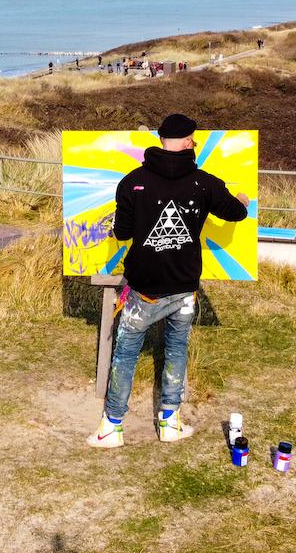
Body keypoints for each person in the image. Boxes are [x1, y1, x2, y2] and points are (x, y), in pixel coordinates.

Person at [89, 113, 249, 449]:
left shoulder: (132, 181)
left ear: (160, 140)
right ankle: (169, 422)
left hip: (143, 287)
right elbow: (237, 212)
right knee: (176, 350)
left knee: (126, 354)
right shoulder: (204, 183)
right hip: (184, 286)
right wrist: (243, 200)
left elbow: (122, 233)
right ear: (189, 141)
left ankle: (112, 427)